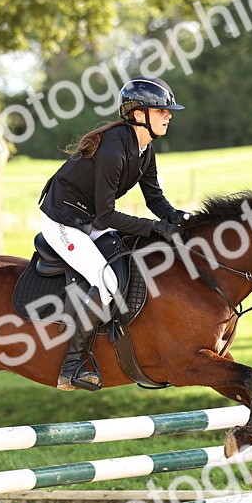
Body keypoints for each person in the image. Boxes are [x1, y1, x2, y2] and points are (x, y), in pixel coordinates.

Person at [39, 75, 189, 392]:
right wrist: (155, 227)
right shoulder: (112, 149)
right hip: (63, 223)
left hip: (90, 221)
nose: (169, 115)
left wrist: (178, 219)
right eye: (161, 110)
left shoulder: (144, 149)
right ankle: (71, 367)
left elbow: (155, 199)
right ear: (138, 114)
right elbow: (106, 214)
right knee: (105, 281)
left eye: (168, 111)